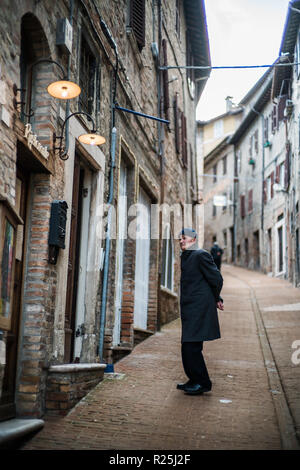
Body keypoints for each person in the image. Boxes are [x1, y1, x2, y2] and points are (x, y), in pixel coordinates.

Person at [177, 228, 224, 395]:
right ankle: (194, 378)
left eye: (184, 238)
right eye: (180, 239)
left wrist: (216, 297)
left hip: (199, 308)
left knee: (191, 347)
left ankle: (203, 383)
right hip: (190, 308)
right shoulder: (186, 256)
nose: (181, 241)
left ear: (194, 239)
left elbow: (216, 278)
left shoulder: (200, 255)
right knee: (187, 346)